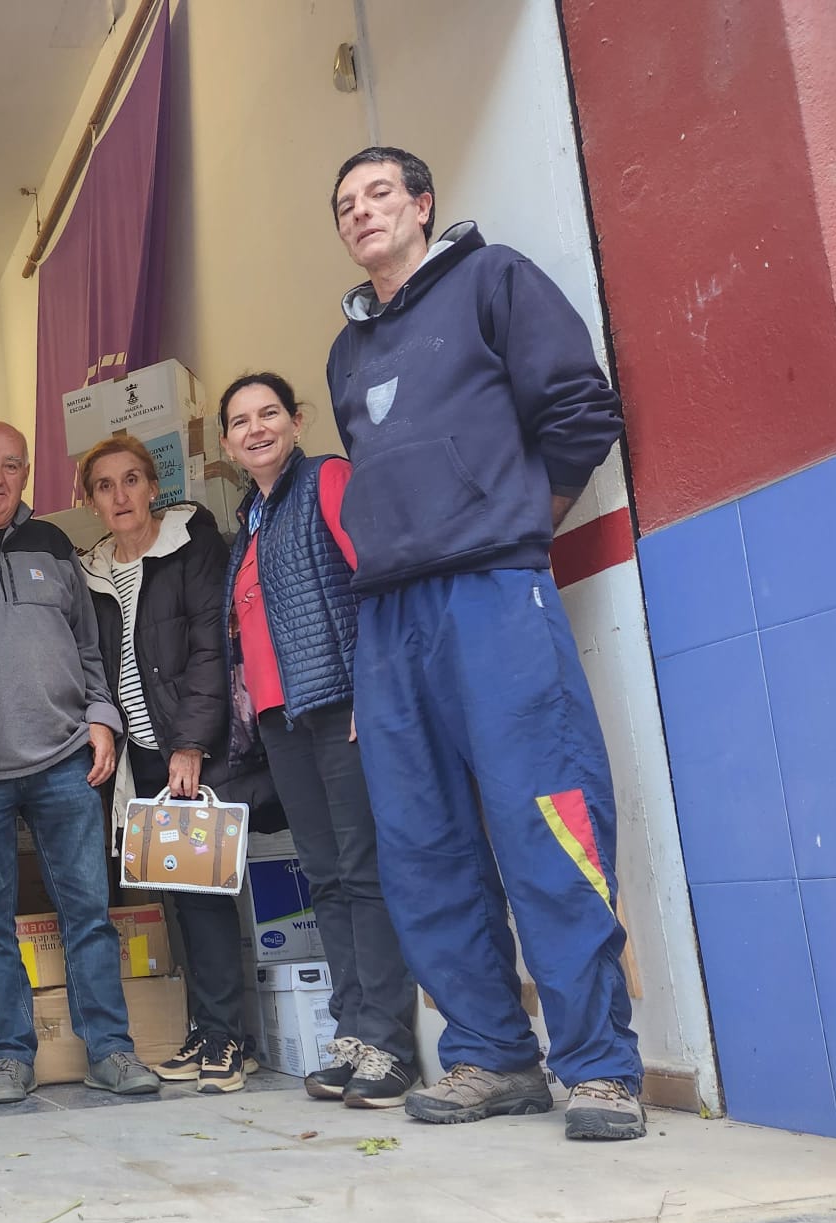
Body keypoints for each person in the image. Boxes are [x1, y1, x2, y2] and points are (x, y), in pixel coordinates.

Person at [325, 146, 643, 1140]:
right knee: (419, 843)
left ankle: (598, 1066)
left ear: (422, 206)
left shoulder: (492, 279)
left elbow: (578, 410)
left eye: (379, 192)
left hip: (492, 597)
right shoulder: (346, 350)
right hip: (388, 617)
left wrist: (518, 524)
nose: (360, 211)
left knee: (545, 815)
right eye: (344, 203)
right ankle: (490, 1054)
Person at [0, 422, 160, 1103]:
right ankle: (11, 1055)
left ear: (27, 473)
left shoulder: (54, 545)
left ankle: (111, 1051)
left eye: (12, 465)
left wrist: (101, 719)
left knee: (89, 912)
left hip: (66, 760)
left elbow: (88, 647)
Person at [219, 372, 417, 1106]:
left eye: (268, 413)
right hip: (282, 721)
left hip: (339, 705)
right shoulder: (251, 519)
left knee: (363, 870)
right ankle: (354, 1034)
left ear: (296, 422)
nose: (256, 428)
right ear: (227, 442)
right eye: (240, 421)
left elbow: (376, 578)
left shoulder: (327, 479)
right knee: (325, 876)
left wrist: (375, 688)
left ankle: (389, 1046)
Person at [75, 436, 250, 1093]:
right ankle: (210, 1030)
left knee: (203, 898)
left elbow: (211, 645)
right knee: (175, 897)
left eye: (131, 480)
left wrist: (191, 742)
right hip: (139, 763)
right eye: (104, 485)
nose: (120, 496)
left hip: (187, 756)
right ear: (90, 500)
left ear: (153, 486)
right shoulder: (90, 571)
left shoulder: (189, 547)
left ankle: (228, 1040)